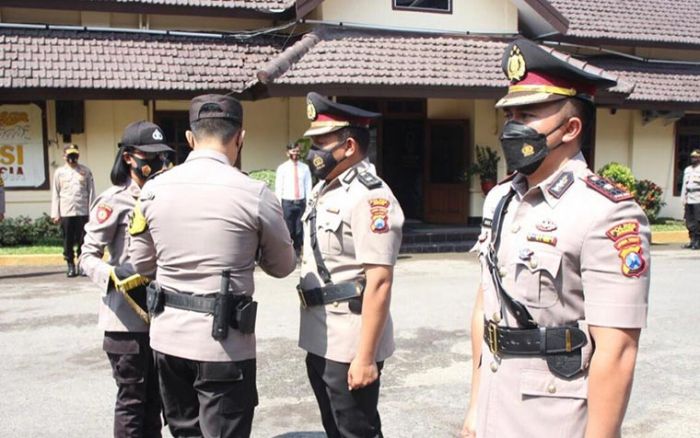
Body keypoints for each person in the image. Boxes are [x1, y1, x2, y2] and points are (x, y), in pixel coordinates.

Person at [460, 39, 651, 438]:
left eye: (527, 114)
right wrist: (475, 409)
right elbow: (486, 309)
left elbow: (616, 351)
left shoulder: (607, 211)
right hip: (497, 398)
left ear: (571, 128)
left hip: (553, 415)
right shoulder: (500, 199)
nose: (512, 126)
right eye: (509, 114)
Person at [128, 94, 296, 438]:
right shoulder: (255, 193)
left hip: (169, 341)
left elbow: (141, 263)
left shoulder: (152, 191)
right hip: (223, 344)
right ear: (240, 138)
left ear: (190, 139)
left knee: (184, 432)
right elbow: (283, 266)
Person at [297, 92, 404, 438]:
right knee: (335, 428)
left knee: (356, 430)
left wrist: (365, 357)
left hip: (350, 339)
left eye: (322, 142)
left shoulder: (371, 197)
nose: (314, 152)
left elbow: (380, 282)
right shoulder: (324, 190)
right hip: (320, 332)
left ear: (349, 146)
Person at [80, 120, 174, 438]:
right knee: (133, 401)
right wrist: (112, 274)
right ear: (129, 157)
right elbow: (87, 256)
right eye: (149, 155)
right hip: (125, 322)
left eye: (161, 155)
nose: (157, 162)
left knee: (158, 401)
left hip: (161, 316)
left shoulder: (165, 197)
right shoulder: (112, 201)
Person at [51, 144, 95, 277]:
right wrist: (55, 213)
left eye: (74, 155)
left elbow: (91, 192)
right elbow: (56, 194)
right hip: (66, 212)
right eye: (69, 155)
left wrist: (92, 212)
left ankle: (82, 264)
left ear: (78, 155)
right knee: (68, 240)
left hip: (82, 211)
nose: (72, 158)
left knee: (83, 240)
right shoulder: (59, 173)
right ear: (64, 156)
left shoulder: (86, 171)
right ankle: (70, 264)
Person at [275, 141, 312, 258]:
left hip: (300, 202)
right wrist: (278, 204)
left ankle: (297, 252)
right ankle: (288, 252)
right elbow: (279, 186)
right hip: (287, 202)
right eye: (293, 151)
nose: (295, 153)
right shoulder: (282, 168)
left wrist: (309, 202)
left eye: (297, 151)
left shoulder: (305, 168)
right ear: (287, 153)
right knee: (288, 228)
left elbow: (308, 185)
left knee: (299, 229)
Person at [681, 149, 700, 249]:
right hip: (689, 198)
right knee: (689, 221)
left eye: (696, 157)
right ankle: (692, 240)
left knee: (698, 222)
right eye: (692, 157)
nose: (693, 159)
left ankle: (698, 242)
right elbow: (684, 185)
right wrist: (683, 199)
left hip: (698, 198)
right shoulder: (687, 170)